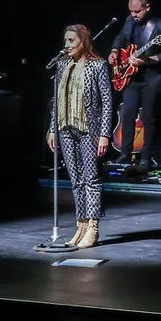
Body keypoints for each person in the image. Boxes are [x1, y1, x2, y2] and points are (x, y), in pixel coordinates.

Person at [46, 23, 113, 249]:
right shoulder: (62, 64)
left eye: (71, 41)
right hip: (66, 128)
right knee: (76, 180)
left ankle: (93, 226)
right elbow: (56, 102)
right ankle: (81, 224)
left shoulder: (98, 66)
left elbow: (107, 102)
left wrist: (104, 134)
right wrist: (52, 129)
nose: (67, 45)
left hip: (88, 130)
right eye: (65, 41)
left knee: (91, 179)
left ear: (83, 41)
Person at [108, 0, 161, 174]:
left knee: (148, 118)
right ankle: (125, 153)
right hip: (132, 77)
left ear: (147, 7)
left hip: (152, 79)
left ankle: (146, 158)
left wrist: (148, 59)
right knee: (127, 114)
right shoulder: (130, 21)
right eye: (131, 12)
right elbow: (121, 37)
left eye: (137, 12)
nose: (133, 15)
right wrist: (115, 51)